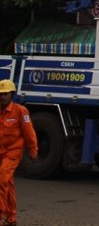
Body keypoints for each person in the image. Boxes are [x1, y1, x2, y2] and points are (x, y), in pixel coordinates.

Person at [0, 79, 37, 226]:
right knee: (7, 184)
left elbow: (29, 132)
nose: (2, 96)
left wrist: (33, 150)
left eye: (5, 94)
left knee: (1, 179)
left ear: (12, 94)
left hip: (13, 152)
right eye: (0, 94)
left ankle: (1, 215)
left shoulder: (21, 111)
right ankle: (12, 218)